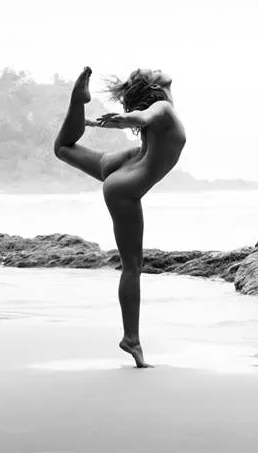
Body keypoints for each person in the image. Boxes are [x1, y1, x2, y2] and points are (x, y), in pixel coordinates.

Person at [53, 66, 186, 368]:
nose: (155, 67)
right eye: (149, 70)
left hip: (126, 163)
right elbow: (143, 118)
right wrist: (124, 120)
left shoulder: (160, 108)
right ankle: (131, 339)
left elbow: (144, 117)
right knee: (132, 267)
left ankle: (78, 100)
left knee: (63, 148)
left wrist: (113, 122)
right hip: (125, 186)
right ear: (154, 85)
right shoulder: (162, 107)